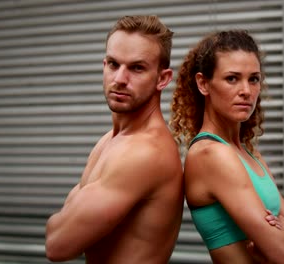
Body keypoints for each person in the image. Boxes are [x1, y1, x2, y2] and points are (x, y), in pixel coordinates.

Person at [45, 15, 184, 264]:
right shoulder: (110, 141)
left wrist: (68, 209)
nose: (120, 79)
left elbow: (57, 243)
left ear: (162, 79)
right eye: (113, 64)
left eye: (137, 68)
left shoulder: (145, 152)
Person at [170, 30, 284, 263]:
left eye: (253, 79)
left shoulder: (249, 153)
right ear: (203, 83)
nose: (246, 91)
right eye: (232, 78)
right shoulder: (210, 154)